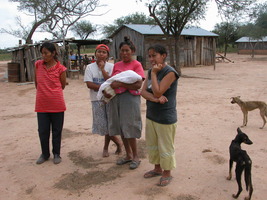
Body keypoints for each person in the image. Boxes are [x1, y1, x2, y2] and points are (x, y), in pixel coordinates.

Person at [104, 36, 145, 170]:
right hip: (117, 99)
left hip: (130, 99)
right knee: (122, 128)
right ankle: (128, 155)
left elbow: (138, 84)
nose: (124, 53)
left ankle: (136, 157)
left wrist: (121, 83)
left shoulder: (136, 65)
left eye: (127, 50)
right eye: (122, 51)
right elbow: (111, 82)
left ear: (132, 51)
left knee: (130, 127)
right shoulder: (117, 65)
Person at [140, 44, 179, 186]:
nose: (151, 59)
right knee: (153, 144)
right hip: (152, 114)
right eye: (149, 56)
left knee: (165, 146)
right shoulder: (150, 71)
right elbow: (142, 92)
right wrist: (155, 99)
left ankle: (167, 173)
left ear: (163, 56)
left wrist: (155, 74)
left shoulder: (170, 73)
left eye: (154, 55)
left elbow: (157, 91)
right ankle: (157, 169)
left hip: (165, 117)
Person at [84, 44, 122, 157]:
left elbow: (112, 82)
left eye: (104, 52)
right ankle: (118, 143)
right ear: (95, 53)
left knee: (109, 125)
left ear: (107, 55)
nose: (101, 54)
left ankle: (105, 147)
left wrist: (102, 69)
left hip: (110, 99)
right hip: (96, 100)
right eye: (99, 51)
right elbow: (89, 84)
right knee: (102, 125)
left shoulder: (112, 67)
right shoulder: (89, 67)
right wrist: (103, 89)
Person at [34, 42, 67, 165]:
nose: (43, 56)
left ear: (53, 53)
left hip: (57, 105)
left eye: (46, 53)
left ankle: (57, 154)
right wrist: (44, 92)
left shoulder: (61, 68)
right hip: (41, 105)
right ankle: (45, 154)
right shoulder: (37, 65)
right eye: (42, 53)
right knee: (43, 130)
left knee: (57, 131)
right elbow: (36, 83)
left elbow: (62, 85)